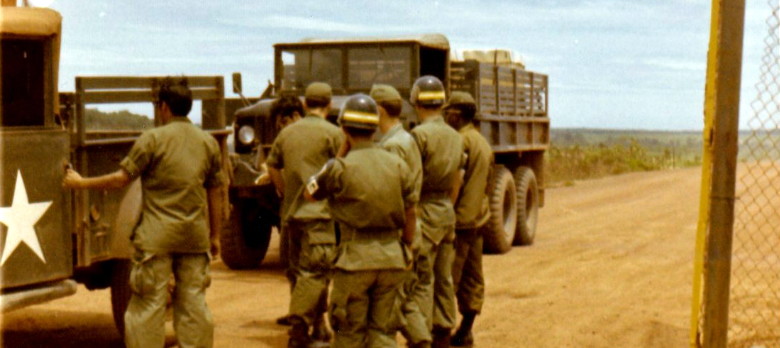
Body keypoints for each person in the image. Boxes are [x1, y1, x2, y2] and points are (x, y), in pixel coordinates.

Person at [62, 78, 226, 348]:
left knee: (148, 306)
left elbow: (120, 179)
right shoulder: (207, 142)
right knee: (194, 305)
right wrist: (216, 235)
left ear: (163, 107)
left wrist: (81, 183)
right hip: (194, 239)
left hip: (156, 240)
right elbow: (215, 191)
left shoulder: (152, 139)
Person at [304, 93, 418, 347]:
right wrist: (407, 246)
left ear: (344, 128)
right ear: (375, 126)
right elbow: (411, 211)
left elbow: (309, 193)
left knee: (349, 334)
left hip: (354, 262)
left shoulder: (339, 168)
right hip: (392, 258)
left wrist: (341, 152)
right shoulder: (397, 164)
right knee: (384, 333)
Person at [266, 82, 343, 347]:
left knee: (299, 272)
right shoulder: (334, 134)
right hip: (320, 216)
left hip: (292, 215)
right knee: (317, 272)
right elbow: (343, 170)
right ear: (329, 104)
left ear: (305, 104)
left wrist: (286, 190)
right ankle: (299, 330)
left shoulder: (286, 134)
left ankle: (318, 325)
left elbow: (272, 164)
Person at [404, 75, 465, 348]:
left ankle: (424, 334)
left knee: (422, 277)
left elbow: (413, 179)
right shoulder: (455, 136)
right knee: (444, 276)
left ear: (416, 101)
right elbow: (458, 178)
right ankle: (444, 330)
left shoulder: (418, 135)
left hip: (425, 209)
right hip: (445, 210)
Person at [443, 92, 493, 347]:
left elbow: (456, 181)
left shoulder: (460, 141)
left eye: (447, 112)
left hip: (460, 222)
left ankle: (440, 335)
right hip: (477, 220)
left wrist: (445, 213)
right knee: (473, 276)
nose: (444, 116)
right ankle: (466, 330)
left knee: (448, 279)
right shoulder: (482, 142)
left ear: (456, 115)